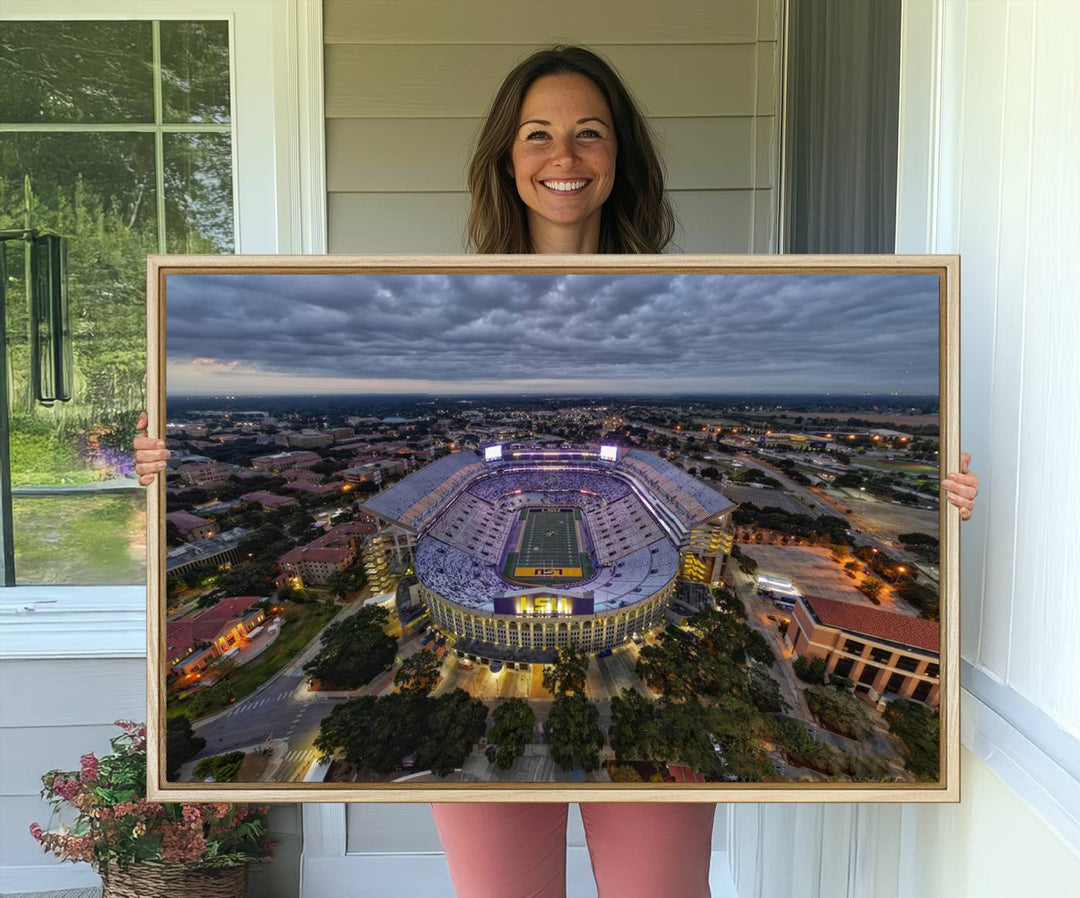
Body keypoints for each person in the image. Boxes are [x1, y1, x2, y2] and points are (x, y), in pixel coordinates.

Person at [134, 45, 979, 898]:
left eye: (589, 134)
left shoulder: (686, 292)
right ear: (507, 156)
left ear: (620, 157)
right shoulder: (450, 289)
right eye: (537, 134)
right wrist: (162, 463)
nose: (564, 157)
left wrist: (945, 498)